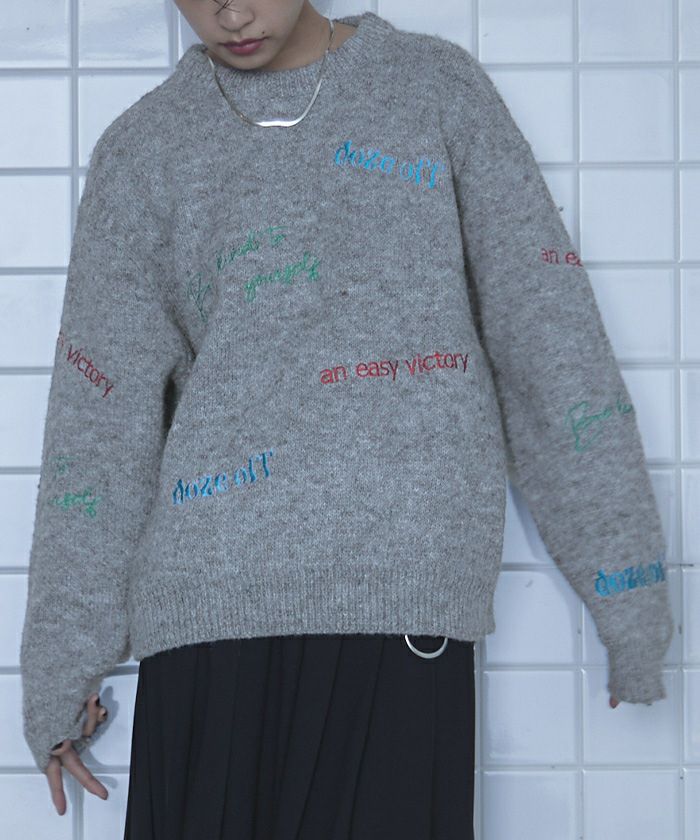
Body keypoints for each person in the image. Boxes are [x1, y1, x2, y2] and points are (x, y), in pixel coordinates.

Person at [19, 1, 674, 837]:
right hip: (207, 627)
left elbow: (548, 341)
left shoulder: (433, 92)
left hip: (401, 619)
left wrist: (627, 593)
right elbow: (97, 426)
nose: (229, 12)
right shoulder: (143, 149)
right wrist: (60, 667)